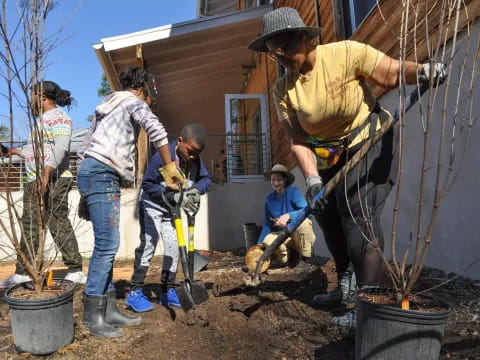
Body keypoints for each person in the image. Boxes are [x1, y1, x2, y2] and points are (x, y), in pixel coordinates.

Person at [247, 7, 446, 316]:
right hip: (326, 155)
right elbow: (297, 139)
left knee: (358, 212)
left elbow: (391, 72)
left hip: (369, 141)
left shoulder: (344, 53)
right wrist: (312, 177)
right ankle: (345, 286)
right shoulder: (282, 90)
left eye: (285, 47)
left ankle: (368, 306)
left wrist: (422, 70)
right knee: (328, 218)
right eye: (274, 54)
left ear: (304, 38)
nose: (281, 57)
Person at [76, 67, 186, 338]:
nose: (150, 99)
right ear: (143, 89)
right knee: (107, 245)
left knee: (107, 245)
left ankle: (109, 308)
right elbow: (157, 130)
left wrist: (83, 189)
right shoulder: (132, 101)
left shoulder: (106, 104)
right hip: (102, 173)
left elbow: (85, 146)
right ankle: (92, 317)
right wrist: (170, 168)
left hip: (93, 171)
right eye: (150, 94)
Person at [0, 81, 87, 288]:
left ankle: (75, 270)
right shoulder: (41, 121)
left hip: (53, 177)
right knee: (30, 222)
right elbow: (37, 151)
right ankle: (26, 271)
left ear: (42, 97)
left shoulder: (59, 117)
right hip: (36, 178)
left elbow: (61, 147)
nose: (30, 101)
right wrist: (14, 152)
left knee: (56, 220)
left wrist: (46, 173)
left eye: (33, 96)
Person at [126, 123, 211, 312]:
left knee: (173, 247)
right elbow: (147, 185)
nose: (192, 157)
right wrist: (170, 195)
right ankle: (135, 292)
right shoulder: (161, 158)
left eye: (196, 154)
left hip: (171, 210)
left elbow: (206, 179)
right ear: (180, 141)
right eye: (190, 152)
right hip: (152, 206)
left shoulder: (195, 159)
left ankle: (167, 290)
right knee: (148, 246)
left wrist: (196, 190)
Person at [258, 164, 315, 268]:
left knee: (305, 223)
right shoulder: (269, 199)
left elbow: (308, 211)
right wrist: (258, 246)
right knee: (267, 240)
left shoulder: (293, 192)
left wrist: (289, 215)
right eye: (273, 180)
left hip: (296, 234)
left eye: (278, 180)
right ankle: (287, 259)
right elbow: (267, 224)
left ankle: (305, 258)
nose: (275, 183)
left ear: (285, 180)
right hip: (282, 235)